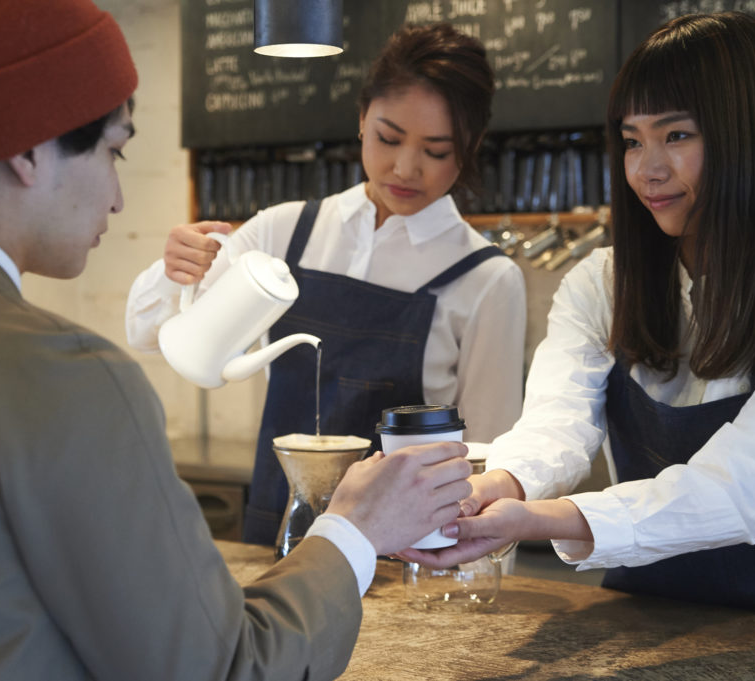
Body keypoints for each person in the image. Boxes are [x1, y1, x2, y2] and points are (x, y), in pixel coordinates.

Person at [0, 2, 473, 679]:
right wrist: (354, 528)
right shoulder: (65, 376)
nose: (117, 198)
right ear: (27, 150)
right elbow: (219, 666)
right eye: (115, 150)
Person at [402, 11, 755, 618]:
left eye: (676, 136)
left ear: (747, 137)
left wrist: (533, 519)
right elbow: (559, 423)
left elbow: (734, 491)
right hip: (641, 617)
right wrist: (497, 488)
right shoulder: (601, 284)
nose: (646, 169)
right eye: (632, 141)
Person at [126, 22, 527, 546]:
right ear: (361, 120)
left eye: (436, 150)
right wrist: (176, 268)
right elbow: (148, 334)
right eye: (388, 138)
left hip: (406, 550)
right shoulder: (283, 232)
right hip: (280, 531)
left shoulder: (488, 278)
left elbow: (487, 456)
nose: (406, 167)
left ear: (469, 147)